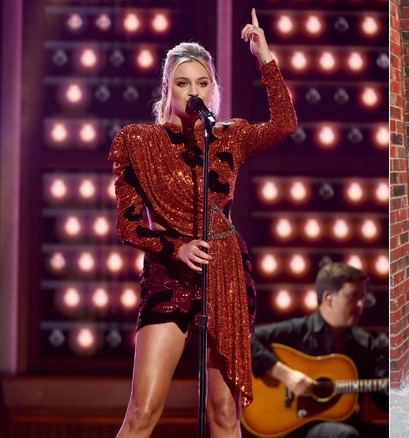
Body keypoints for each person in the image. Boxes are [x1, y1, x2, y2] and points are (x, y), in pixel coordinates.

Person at [109, 8, 297, 437]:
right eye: (183, 83)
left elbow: (285, 124)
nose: (193, 91)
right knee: (142, 413)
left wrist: (264, 58)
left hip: (226, 273)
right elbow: (128, 225)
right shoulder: (139, 141)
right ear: (167, 88)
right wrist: (175, 247)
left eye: (202, 83)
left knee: (224, 415)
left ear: (213, 89)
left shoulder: (229, 135)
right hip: (170, 274)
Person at [250, 263, 389, 438]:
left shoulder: (365, 343)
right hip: (297, 427)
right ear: (328, 297)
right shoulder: (299, 330)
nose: (360, 304)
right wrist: (286, 375)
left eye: (362, 297)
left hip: (345, 424)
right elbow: (247, 338)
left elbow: (383, 399)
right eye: (353, 296)